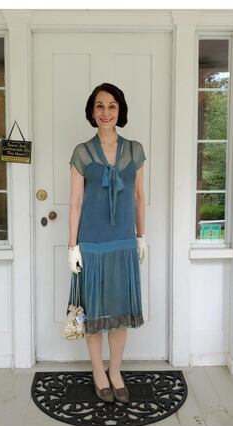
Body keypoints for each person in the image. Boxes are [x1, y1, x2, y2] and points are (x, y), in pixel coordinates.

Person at [67, 83, 147, 404]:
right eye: (99, 106)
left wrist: (142, 236)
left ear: (120, 110)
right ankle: (98, 372)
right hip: (92, 244)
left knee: (119, 313)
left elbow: (140, 198)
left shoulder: (135, 150)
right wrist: (72, 245)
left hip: (124, 244)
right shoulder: (82, 153)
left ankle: (116, 371)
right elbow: (74, 203)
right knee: (93, 313)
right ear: (92, 111)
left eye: (112, 106)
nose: (105, 112)